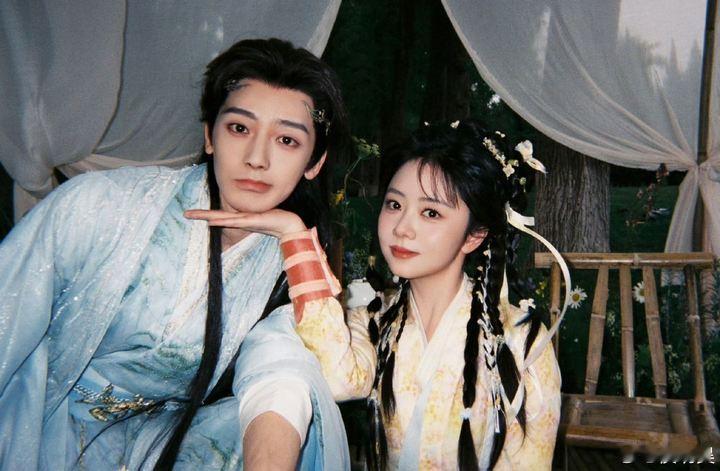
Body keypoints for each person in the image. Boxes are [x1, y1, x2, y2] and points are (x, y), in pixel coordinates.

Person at [0, 38, 353, 470]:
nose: (257, 158)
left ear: (314, 163)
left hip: (154, 444)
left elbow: (284, 373)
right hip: (39, 422)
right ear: (209, 135)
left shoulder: (283, 264)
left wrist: (295, 236)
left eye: (286, 140)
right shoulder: (101, 205)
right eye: (239, 128)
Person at [200, 119, 567, 469]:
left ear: (474, 236)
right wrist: (294, 235)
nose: (402, 228)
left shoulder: (521, 341)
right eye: (394, 205)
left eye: (431, 213)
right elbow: (340, 379)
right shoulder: (375, 319)